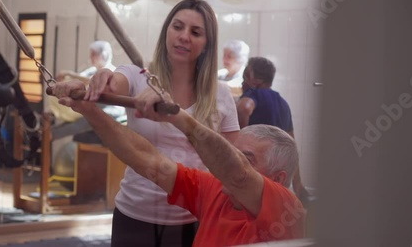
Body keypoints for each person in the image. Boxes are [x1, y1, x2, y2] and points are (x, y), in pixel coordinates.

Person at [54, 80, 306, 246]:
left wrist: (177, 116)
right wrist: (89, 110)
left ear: (279, 179)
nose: (230, 164)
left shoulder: (286, 208)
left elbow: (237, 174)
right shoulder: (216, 191)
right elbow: (151, 162)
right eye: (234, 152)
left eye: (246, 158)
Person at [84, 0, 240, 246]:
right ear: (166, 30)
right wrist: (103, 75)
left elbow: (233, 164)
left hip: (194, 218)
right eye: (177, 27)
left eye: (195, 32)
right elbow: (114, 83)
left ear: (207, 43)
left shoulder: (220, 94)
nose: (184, 36)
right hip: (134, 215)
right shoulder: (137, 76)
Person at [236, 57, 310, 203]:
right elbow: (291, 147)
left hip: (257, 176)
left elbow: (244, 108)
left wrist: (240, 136)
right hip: (276, 179)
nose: (242, 82)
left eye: (245, 77)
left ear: (255, 81)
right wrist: (298, 186)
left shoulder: (254, 94)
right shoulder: (283, 104)